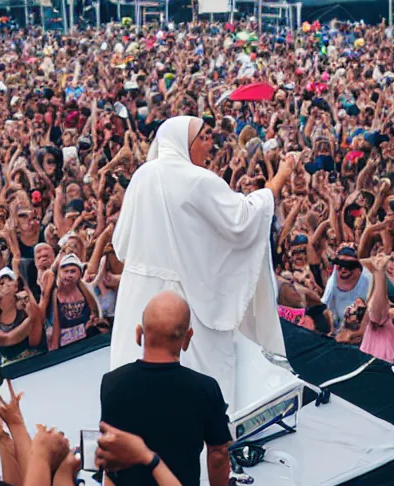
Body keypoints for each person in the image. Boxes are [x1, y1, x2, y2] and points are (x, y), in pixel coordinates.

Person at [110, 116, 292, 407]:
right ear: (184, 143)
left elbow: (122, 245)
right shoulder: (197, 180)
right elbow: (243, 218)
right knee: (190, 378)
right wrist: (281, 175)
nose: (210, 145)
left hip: (139, 293)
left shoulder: (143, 175)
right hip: (184, 295)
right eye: (204, 138)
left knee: (137, 371)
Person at [100, 291, 231, 486]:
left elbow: (110, 451)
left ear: (139, 334)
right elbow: (218, 454)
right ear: (188, 338)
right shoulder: (205, 388)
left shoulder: (112, 383)